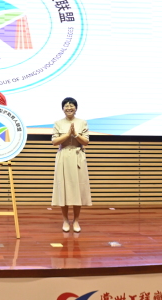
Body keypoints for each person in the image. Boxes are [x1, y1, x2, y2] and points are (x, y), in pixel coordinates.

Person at [51, 97, 92, 233]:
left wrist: (75, 135)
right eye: (66, 106)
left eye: (71, 105)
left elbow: (86, 142)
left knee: (77, 190)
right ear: (63, 108)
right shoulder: (58, 123)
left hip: (77, 157)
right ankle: (65, 220)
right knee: (64, 190)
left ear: (76, 108)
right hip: (63, 157)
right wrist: (68, 134)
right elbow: (55, 142)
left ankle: (76, 221)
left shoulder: (82, 122)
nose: (69, 108)